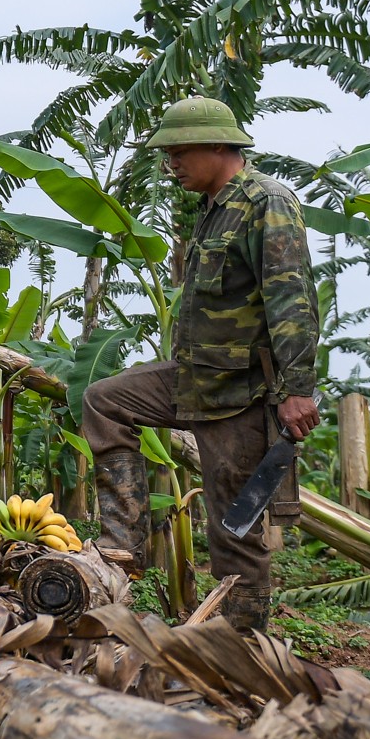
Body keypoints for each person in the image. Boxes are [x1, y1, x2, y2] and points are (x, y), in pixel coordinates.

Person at [82, 96, 321, 632]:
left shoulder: (267, 201)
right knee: (105, 400)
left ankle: (244, 649)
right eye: (167, 153)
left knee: (234, 535)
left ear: (218, 145)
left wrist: (297, 388)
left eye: (179, 151)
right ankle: (122, 547)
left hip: (241, 393)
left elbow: (292, 301)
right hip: (196, 379)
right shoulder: (215, 207)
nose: (171, 163)